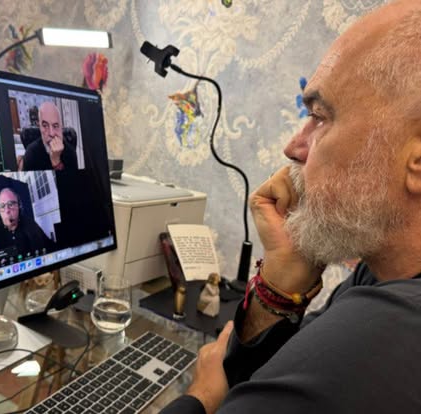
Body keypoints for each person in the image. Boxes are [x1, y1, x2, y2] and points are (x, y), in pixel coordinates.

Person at [161, 1, 421, 413]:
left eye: (320, 116)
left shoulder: (386, 332)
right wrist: (281, 282)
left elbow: (232, 389)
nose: (294, 147)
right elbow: (267, 373)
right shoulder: (381, 273)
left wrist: (201, 397)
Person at [0, 187, 55, 257]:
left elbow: (50, 246)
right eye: (2, 206)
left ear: (19, 206)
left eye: (11, 204)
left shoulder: (30, 225)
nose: (7, 210)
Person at [21, 101, 77, 171]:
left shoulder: (70, 152)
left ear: (61, 127)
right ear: (40, 127)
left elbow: (72, 178)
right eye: (45, 126)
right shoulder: (30, 153)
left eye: (55, 126)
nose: (51, 133)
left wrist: (56, 162)